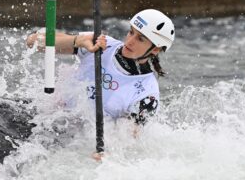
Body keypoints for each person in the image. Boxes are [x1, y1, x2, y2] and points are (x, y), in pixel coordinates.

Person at [26, 9, 175, 127]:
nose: (129, 41)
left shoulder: (147, 95)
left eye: (140, 39)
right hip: (44, 119)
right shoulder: (102, 44)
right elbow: (33, 42)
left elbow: (126, 141)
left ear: (155, 50)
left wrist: (105, 154)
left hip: (70, 142)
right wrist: (78, 41)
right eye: (131, 32)